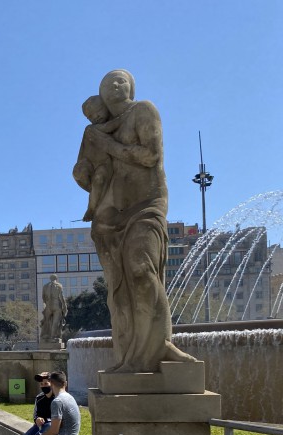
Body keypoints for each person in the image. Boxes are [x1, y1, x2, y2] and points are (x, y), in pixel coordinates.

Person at [73, 69, 195, 373]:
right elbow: (86, 169)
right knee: (119, 292)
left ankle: (159, 346)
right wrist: (81, 173)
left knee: (142, 270)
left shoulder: (143, 110)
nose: (114, 85)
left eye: (120, 81)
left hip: (146, 205)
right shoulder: (92, 132)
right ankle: (128, 358)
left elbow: (150, 156)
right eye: (106, 83)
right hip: (108, 218)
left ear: (131, 87)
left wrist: (110, 147)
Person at [74, 94, 116, 223]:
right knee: (79, 173)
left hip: (105, 164)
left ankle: (92, 208)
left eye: (97, 112)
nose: (95, 117)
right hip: (91, 163)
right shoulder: (90, 129)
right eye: (90, 117)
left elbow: (109, 127)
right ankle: (94, 198)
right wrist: (82, 166)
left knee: (99, 179)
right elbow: (83, 152)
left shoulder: (114, 122)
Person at [40, 275, 67, 343]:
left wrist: (46, 304)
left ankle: (44, 335)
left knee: (46, 321)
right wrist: (64, 307)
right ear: (56, 279)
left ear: (50, 278)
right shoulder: (59, 285)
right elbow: (61, 297)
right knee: (55, 322)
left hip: (48, 305)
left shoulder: (45, 286)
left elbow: (43, 297)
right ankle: (52, 337)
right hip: (56, 305)